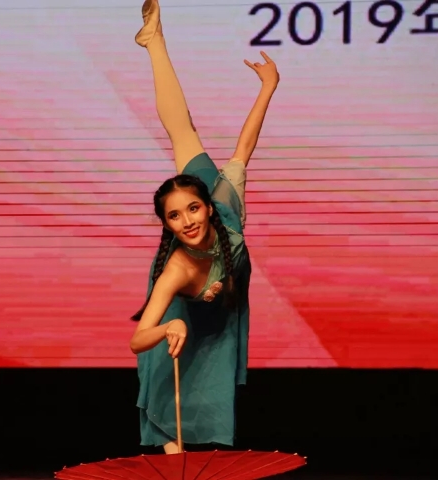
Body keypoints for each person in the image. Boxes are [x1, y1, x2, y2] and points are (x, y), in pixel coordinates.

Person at [129, 0, 280, 455]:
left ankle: (154, 42)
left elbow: (244, 148)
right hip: (183, 311)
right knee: (169, 387)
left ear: (208, 208)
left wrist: (269, 87)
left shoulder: (225, 204)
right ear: (166, 224)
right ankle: (154, 43)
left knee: (183, 131)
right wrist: (166, 329)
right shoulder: (176, 267)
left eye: (192, 209)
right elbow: (138, 339)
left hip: (223, 310)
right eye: (174, 217)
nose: (187, 221)